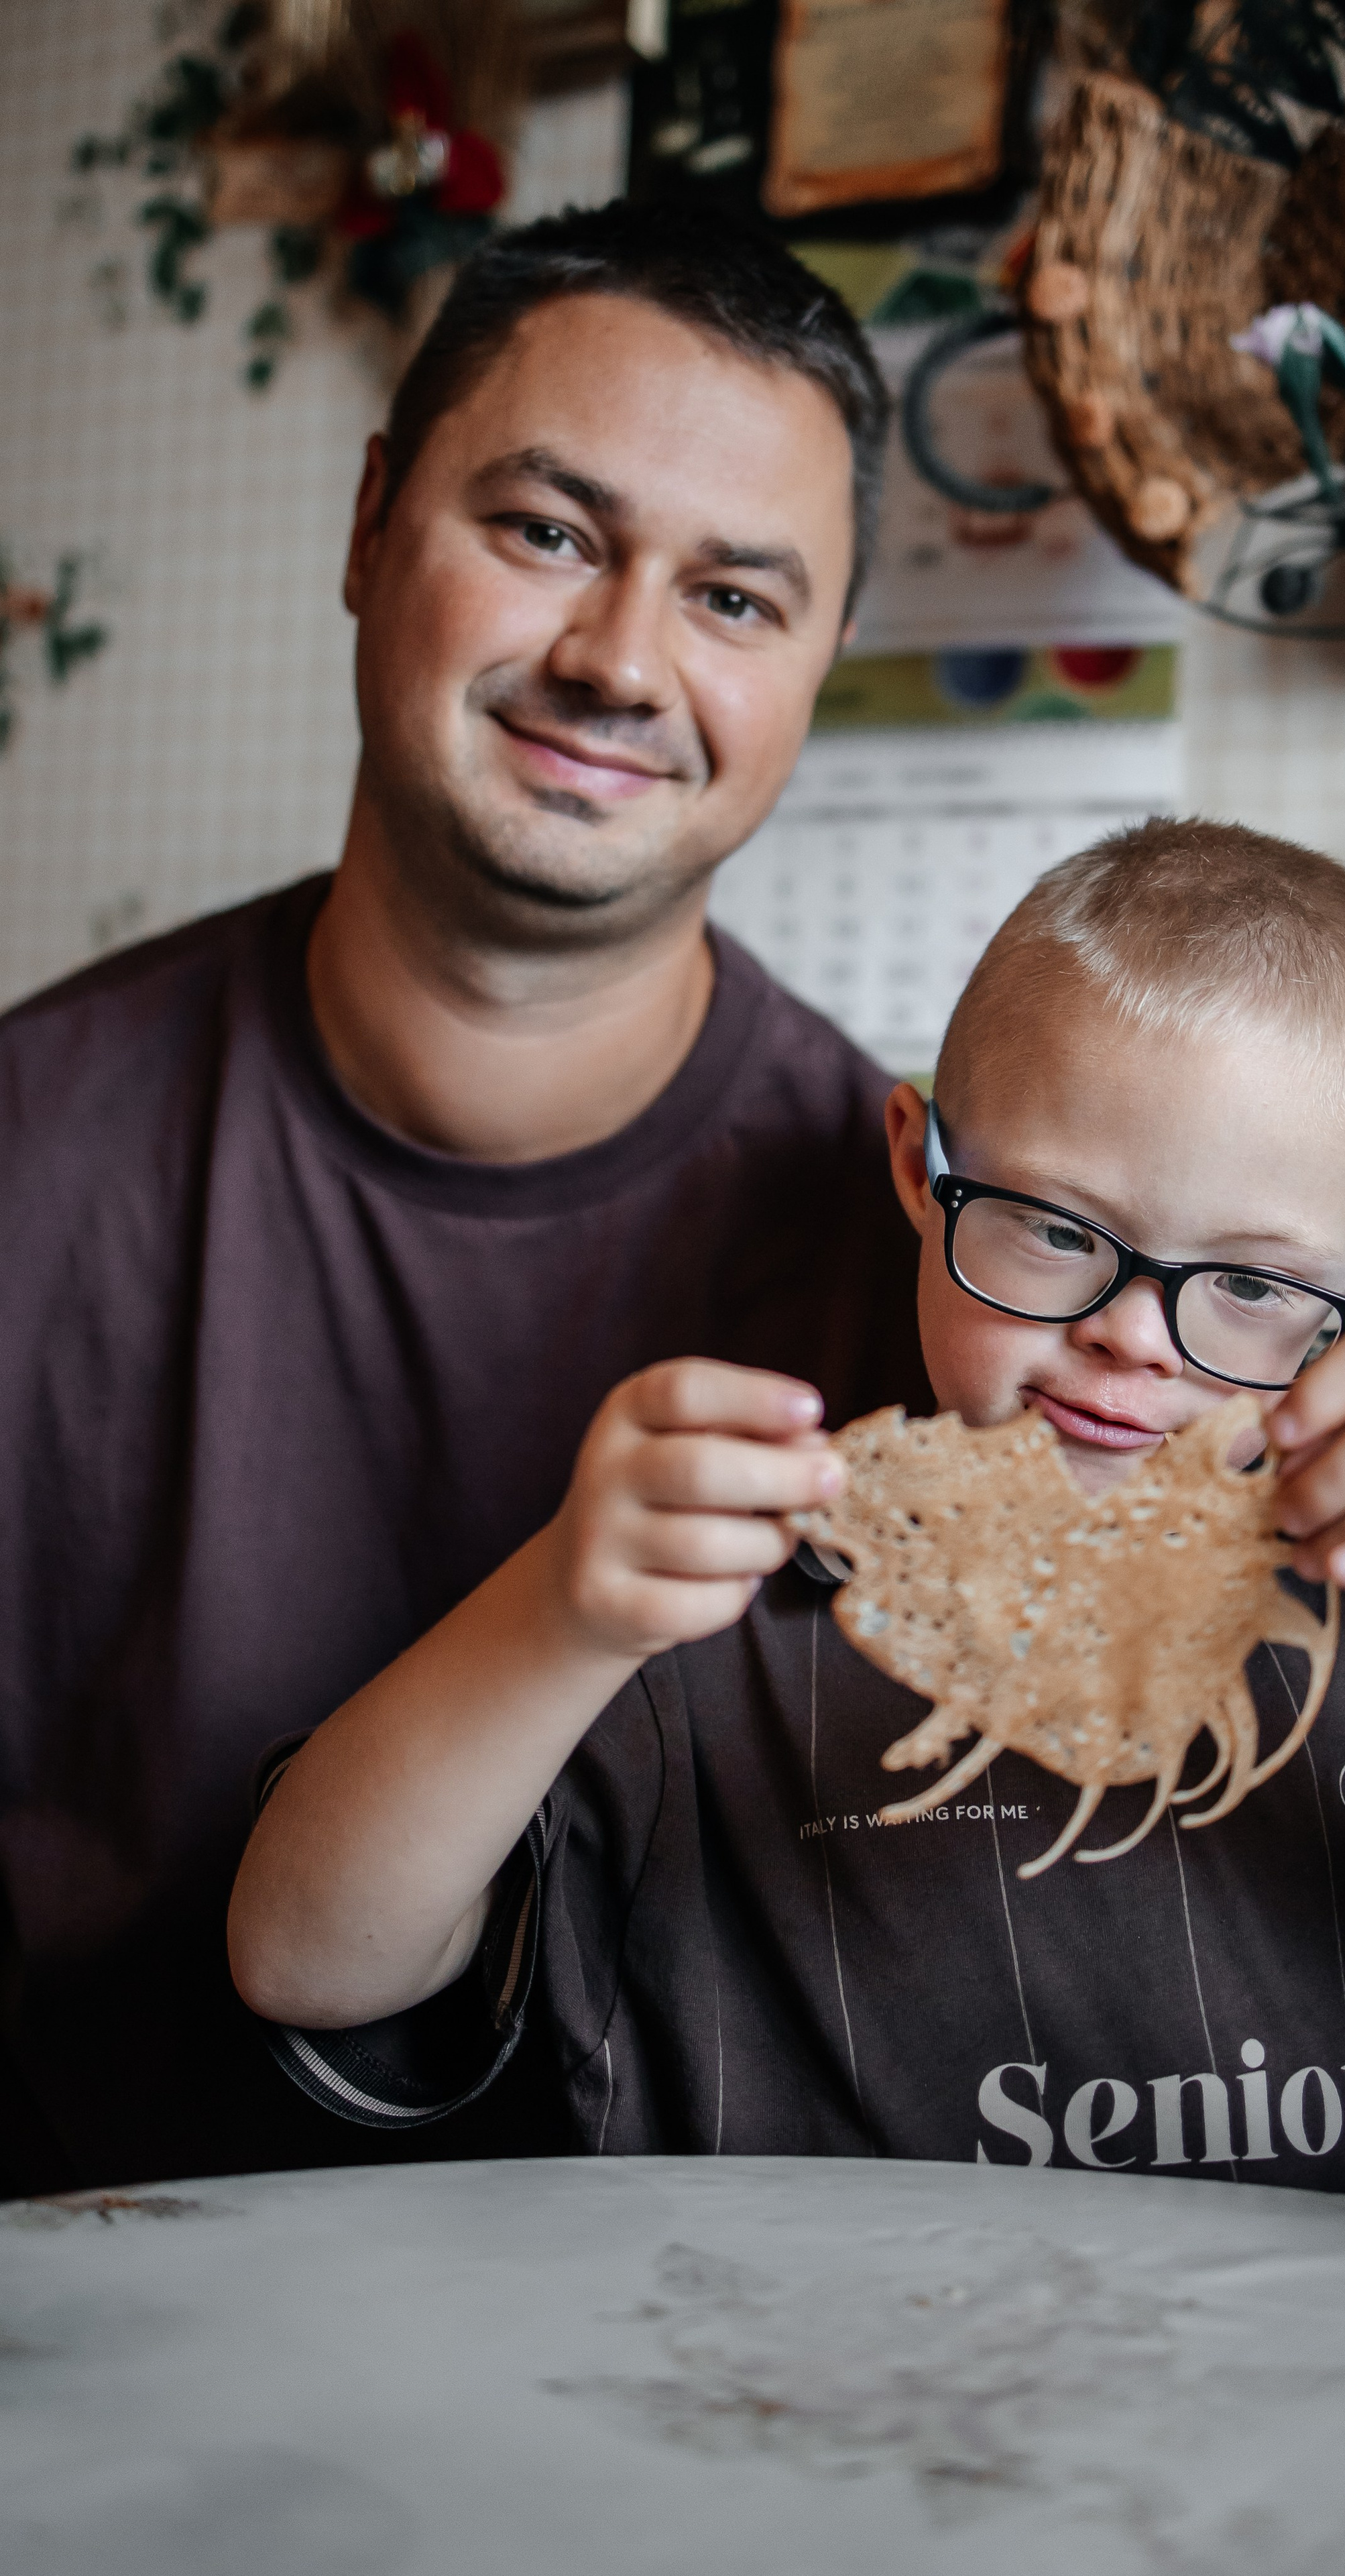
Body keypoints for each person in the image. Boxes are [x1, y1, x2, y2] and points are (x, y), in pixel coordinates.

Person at [229, 821, 1345, 2202]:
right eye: (1059, 1229)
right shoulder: (698, 1606)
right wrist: (558, 1611)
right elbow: (308, 1964)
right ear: (913, 1163)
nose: (1134, 1335)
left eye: (1252, 1286)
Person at [0, 204, 931, 2194]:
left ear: (821, 668)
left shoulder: (931, 1270)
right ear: (369, 530)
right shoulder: (30, 1150)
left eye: (737, 600)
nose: (617, 662)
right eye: (548, 533)